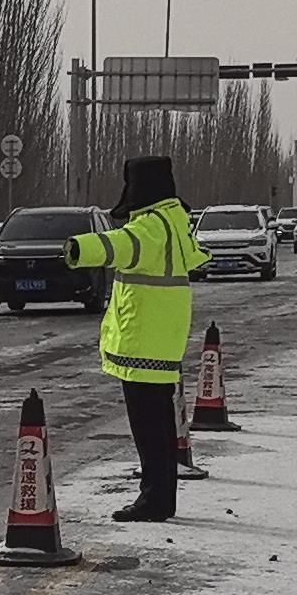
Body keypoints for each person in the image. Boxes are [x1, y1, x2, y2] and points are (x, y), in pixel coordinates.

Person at [69, 155, 205, 522]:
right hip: (160, 339)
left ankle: (154, 500)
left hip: (143, 341)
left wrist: (80, 248)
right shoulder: (174, 221)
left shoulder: (151, 226)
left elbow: (120, 245)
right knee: (159, 426)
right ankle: (160, 497)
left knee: (150, 430)